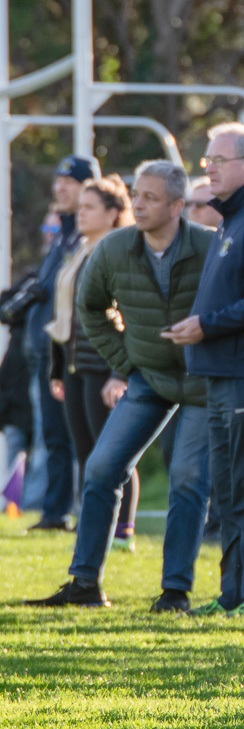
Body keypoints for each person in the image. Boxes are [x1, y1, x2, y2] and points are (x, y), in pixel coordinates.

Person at [25, 160, 213, 611]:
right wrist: (125, 362)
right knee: (101, 469)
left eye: (150, 197)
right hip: (146, 377)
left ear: (176, 205)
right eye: (137, 194)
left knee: (187, 479)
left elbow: (241, 305)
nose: (139, 203)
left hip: (202, 384)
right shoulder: (114, 248)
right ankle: (85, 584)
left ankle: (175, 591)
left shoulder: (210, 247)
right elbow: (90, 309)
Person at [161, 123, 244, 619]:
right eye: (207, 160)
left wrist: (207, 326)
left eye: (218, 159)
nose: (208, 167)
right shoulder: (232, 220)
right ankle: (233, 593)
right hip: (219, 374)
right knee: (230, 489)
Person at [44, 175, 140, 553]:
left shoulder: (118, 250)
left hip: (104, 366)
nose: (80, 213)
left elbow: (127, 314)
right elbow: (62, 315)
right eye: (80, 206)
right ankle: (94, 525)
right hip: (76, 366)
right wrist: (57, 368)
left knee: (113, 451)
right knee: (87, 452)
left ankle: (124, 529)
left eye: (89, 207)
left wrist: (118, 373)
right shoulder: (81, 248)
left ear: (113, 213)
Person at [23, 156, 98, 531]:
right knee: (53, 435)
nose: (60, 188)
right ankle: (54, 512)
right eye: (58, 181)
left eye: (69, 182)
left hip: (79, 355)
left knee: (80, 437)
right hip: (47, 350)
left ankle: (86, 512)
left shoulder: (87, 237)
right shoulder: (62, 233)